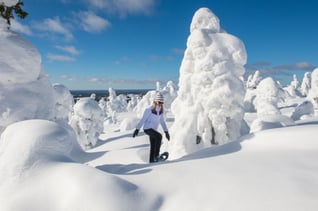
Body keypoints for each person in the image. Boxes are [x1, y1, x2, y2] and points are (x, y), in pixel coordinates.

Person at [132, 92, 170, 163]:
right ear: (155, 101)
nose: (160, 104)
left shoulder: (160, 111)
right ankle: (156, 156)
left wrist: (166, 132)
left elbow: (162, 122)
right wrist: (137, 129)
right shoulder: (149, 110)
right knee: (159, 136)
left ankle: (151, 161)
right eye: (159, 102)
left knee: (153, 145)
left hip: (153, 130)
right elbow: (142, 119)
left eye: (161, 103)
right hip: (147, 129)